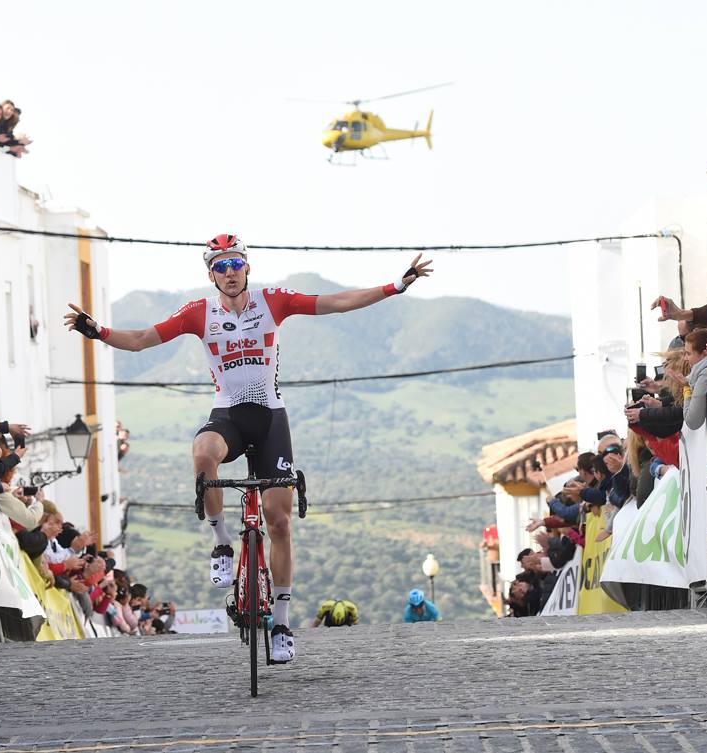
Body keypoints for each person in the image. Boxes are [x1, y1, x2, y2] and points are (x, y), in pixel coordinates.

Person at [65, 234, 433, 663]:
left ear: (247, 267)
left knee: (279, 523)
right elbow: (144, 338)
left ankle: (280, 621)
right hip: (230, 416)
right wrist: (98, 331)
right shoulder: (198, 313)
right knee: (203, 452)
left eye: (235, 263)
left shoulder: (272, 301)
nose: (229, 271)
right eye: (220, 266)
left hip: (271, 418)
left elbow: (333, 302)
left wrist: (395, 286)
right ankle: (222, 542)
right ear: (211, 275)